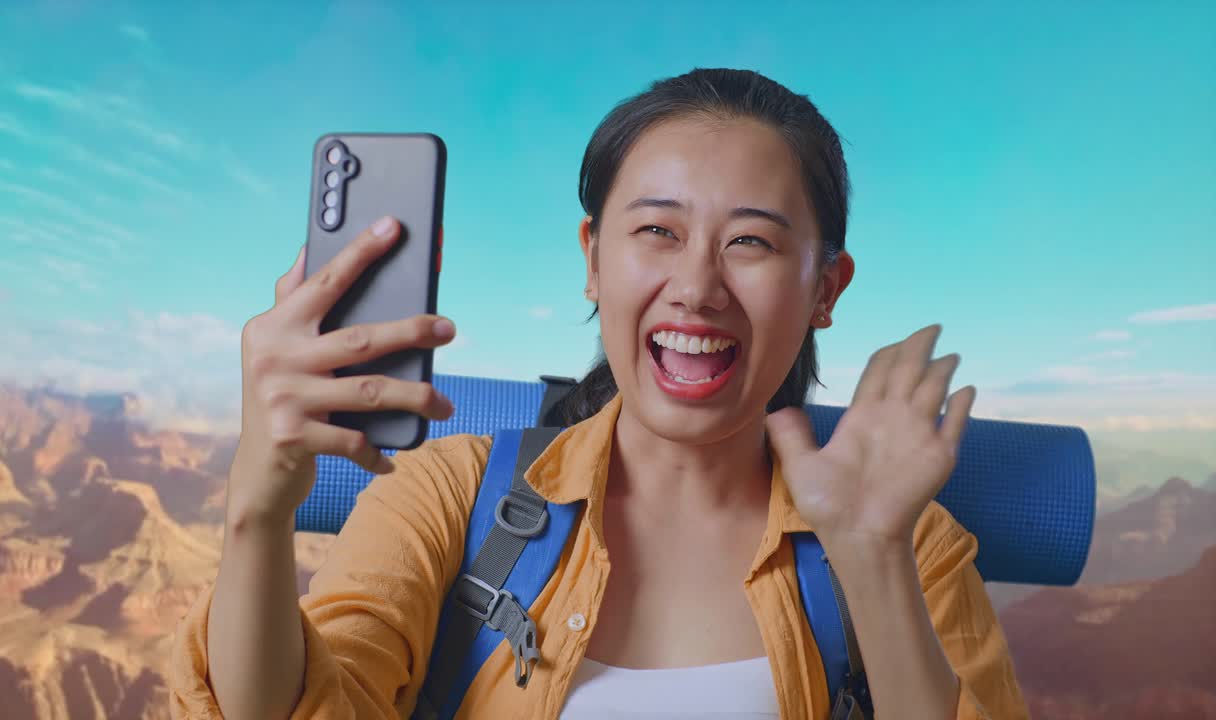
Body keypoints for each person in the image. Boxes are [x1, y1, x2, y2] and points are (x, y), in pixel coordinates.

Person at [168, 68, 1028, 719]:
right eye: (657, 230)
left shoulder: (914, 551)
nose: (697, 286)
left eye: (752, 244)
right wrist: (257, 510)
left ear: (825, 290)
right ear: (592, 259)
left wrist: (873, 559)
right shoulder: (450, 495)